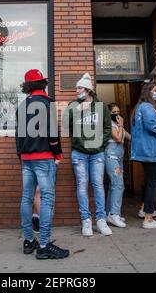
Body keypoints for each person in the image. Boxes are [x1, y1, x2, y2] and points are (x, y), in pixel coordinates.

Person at [16, 69, 69, 259]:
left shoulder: (21, 106)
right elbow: (53, 134)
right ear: (42, 84)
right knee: (47, 198)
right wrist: (58, 153)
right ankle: (44, 244)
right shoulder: (47, 103)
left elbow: (18, 136)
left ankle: (29, 240)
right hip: (44, 157)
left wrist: (20, 155)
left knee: (27, 198)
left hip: (26, 158)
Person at [63, 73, 113, 237]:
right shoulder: (74, 105)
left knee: (98, 185)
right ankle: (86, 220)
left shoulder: (102, 107)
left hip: (97, 153)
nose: (76, 90)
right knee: (82, 186)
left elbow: (107, 128)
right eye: (77, 87)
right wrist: (77, 109)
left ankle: (101, 220)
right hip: (79, 153)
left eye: (79, 87)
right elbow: (64, 124)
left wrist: (102, 143)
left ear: (88, 90)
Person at [130, 83, 156, 229]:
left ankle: (143, 209)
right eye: (155, 90)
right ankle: (148, 218)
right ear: (148, 92)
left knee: (149, 181)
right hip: (152, 151)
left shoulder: (139, 107)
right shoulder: (148, 108)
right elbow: (152, 127)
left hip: (144, 151)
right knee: (153, 183)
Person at [105, 103, 130, 228]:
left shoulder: (119, 125)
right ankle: (114, 214)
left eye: (118, 111)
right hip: (111, 156)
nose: (117, 114)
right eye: (114, 112)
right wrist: (121, 125)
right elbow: (118, 139)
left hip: (119, 157)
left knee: (114, 185)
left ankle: (109, 212)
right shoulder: (109, 124)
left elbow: (129, 137)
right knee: (118, 184)